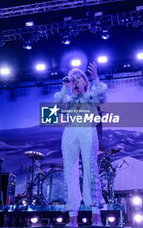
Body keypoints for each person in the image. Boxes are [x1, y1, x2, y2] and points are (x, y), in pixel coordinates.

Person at [54, 62, 107, 227]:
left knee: (90, 171)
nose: (75, 81)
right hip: (69, 133)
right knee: (70, 172)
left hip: (87, 131)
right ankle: (72, 219)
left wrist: (96, 78)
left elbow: (102, 96)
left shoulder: (90, 96)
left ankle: (96, 217)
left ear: (85, 82)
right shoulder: (67, 98)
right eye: (73, 79)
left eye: (78, 78)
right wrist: (65, 86)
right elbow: (57, 105)